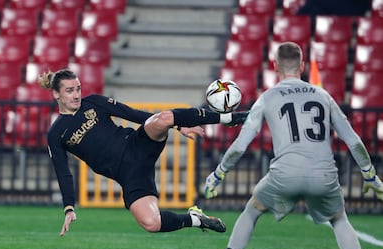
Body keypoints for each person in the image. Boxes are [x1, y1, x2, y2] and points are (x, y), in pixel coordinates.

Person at [202, 42, 383, 249]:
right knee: (339, 218)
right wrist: (370, 176)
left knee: (253, 210)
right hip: (324, 175)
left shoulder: (268, 97)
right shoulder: (322, 95)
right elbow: (353, 140)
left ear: (275, 66)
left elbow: (240, 145)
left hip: (284, 175)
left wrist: (218, 174)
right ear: (303, 65)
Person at [38, 69, 248, 237]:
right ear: (56, 94)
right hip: (129, 175)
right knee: (151, 223)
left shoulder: (93, 102)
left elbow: (134, 114)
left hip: (138, 144)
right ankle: (195, 219)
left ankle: (229, 119)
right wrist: (69, 208)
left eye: (78, 88)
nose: (76, 95)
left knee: (164, 118)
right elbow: (63, 172)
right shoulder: (56, 134)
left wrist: (178, 125)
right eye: (69, 91)